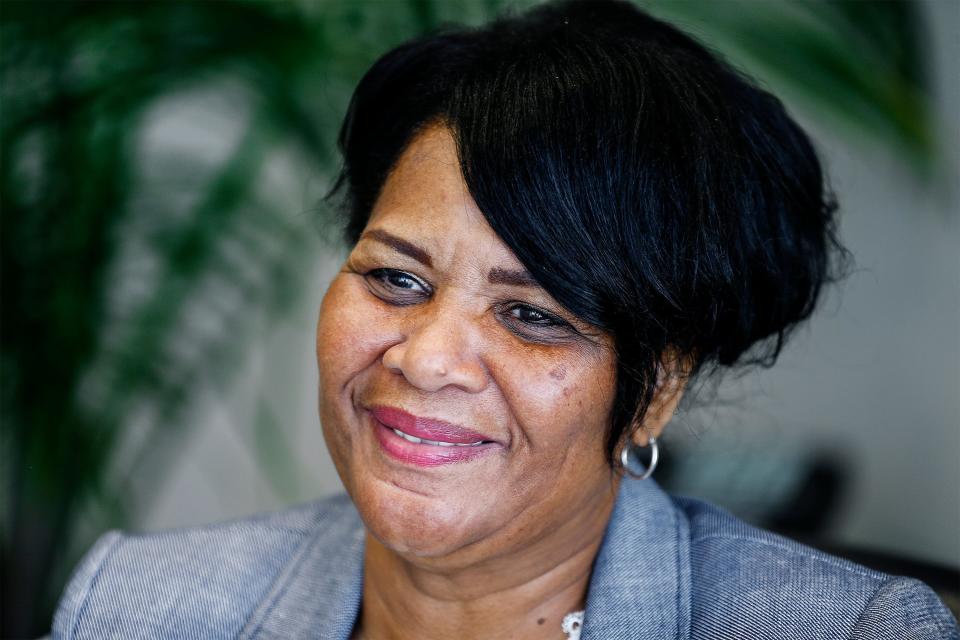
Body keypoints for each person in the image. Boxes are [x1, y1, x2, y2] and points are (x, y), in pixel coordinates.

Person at [51, 1, 958, 638]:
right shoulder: (139, 605)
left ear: (656, 391)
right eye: (397, 280)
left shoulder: (849, 632)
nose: (428, 358)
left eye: (531, 314)